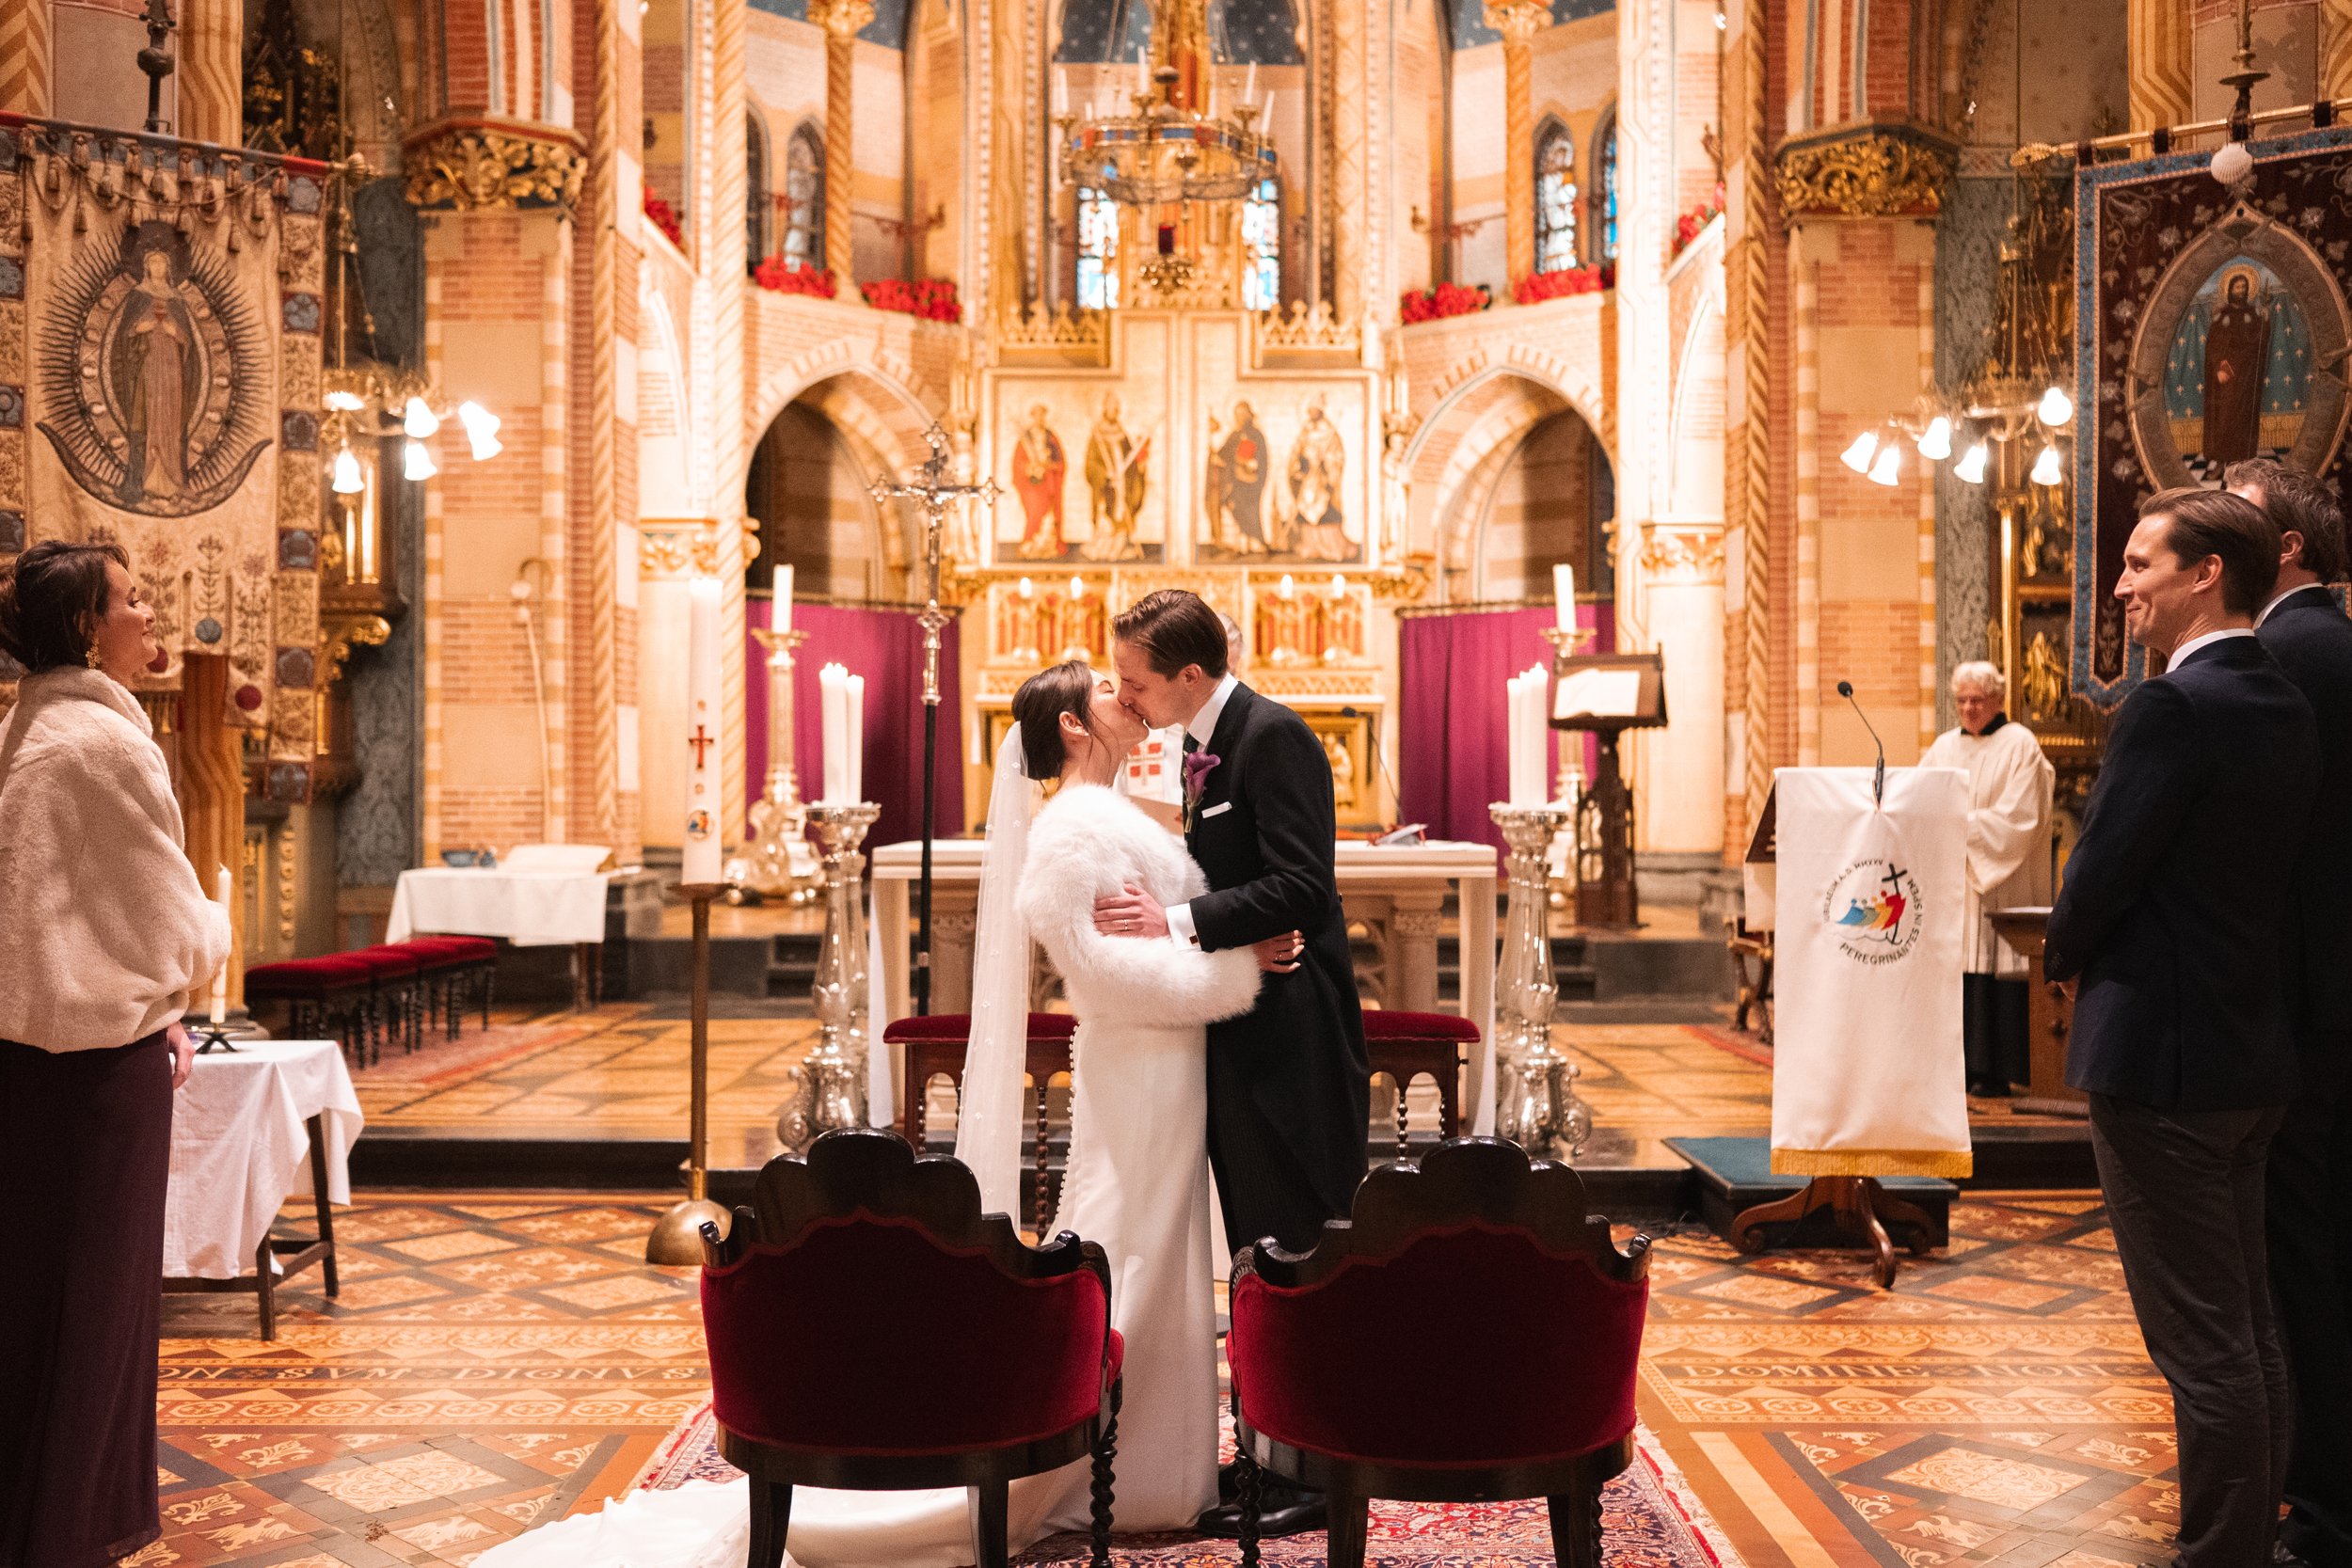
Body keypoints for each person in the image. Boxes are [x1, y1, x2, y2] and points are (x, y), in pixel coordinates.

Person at [470, 663, 1294, 1568]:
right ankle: (1114, 1466)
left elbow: (1166, 921)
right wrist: (1241, 969)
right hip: (1138, 1063)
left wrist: (1211, 932)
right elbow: (1100, 975)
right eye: (1106, 689)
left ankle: (1158, 1467)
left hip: (1165, 1066)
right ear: (1070, 725)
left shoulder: (1111, 814)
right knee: (1128, 1241)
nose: (1124, 693)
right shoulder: (1068, 833)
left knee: (1163, 1244)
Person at [2043, 486, 2315, 1568]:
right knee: (2248, 1328)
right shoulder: (2282, 697)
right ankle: (2245, 1536)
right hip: (2250, 1047)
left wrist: (2063, 950)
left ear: (2205, 574)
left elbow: (2103, 868)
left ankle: (2218, 1552)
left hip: (2160, 1059)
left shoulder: (2171, 707)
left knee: (2203, 1342)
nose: (2121, 587)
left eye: (2140, 563)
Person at [1091, 587, 1370, 1538]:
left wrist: (1170, 923)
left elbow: (1302, 884)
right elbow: (1244, 873)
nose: (1127, 694)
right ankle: (1267, 1445)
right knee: (1257, 1248)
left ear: (1190, 675)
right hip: (1245, 1027)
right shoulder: (1215, 738)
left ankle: (1317, 1464)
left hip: (1291, 1040)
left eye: (1137, 679)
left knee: (1296, 1243)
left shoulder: (1270, 735)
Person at [0, 540, 233, 1568]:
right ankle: (69, 1534)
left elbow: (54, 917)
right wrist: (190, 968)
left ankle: (31, 1518)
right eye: (135, 599)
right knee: (98, 1308)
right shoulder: (103, 742)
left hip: (28, 1063)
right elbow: (164, 915)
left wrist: (151, 999)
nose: (154, 616)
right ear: (90, 627)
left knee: (30, 1297)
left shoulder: (28, 726)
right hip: (99, 1077)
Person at [2229, 457, 2352, 1568]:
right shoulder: (2323, 642)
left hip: (2301, 1005)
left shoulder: (2284, 652)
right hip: (2324, 993)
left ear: (2293, 549)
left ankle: (2319, 1498)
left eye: (2243, 515)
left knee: (2295, 1255)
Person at [1920, 661, 2054, 1097]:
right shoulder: (1942, 749)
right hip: (1955, 885)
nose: (1969, 708)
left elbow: (2019, 817)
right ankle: (1958, 1068)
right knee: (1960, 969)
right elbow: (1919, 803)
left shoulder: (2021, 745)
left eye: (1978, 699)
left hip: (2001, 881)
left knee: (1996, 969)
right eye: (1961, 700)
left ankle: (1997, 1070)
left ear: (1998, 699)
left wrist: (1958, 826)